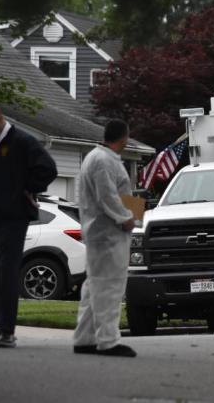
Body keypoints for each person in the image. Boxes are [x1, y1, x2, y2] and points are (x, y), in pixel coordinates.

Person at [0, 103, 57, 348]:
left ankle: (8, 331)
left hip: (14, 217)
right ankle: (0, 328)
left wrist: (24, 188)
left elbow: (48, 170)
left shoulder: (22, 142)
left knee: (7, 270)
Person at [73, 120, 137, 357]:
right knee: (109, 287)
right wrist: (126, 218)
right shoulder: (103, 161)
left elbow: (114, 193)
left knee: (94, 287)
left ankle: (85, 337)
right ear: (124, 138)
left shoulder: (96, 158)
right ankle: (108, 341)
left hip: (100, 233)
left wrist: (131, 213)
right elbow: (108, 196)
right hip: (108, 234)